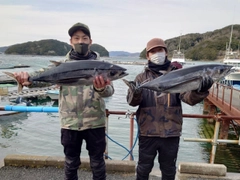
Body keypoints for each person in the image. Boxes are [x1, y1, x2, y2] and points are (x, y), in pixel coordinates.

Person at [13, 22, 114, 180]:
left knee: (97, 163)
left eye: (84, 38)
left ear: (90, 41)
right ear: (71, 41)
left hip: (95, 122)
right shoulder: (62, 65)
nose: (81, 41)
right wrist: (27, 79)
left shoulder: (101, 66)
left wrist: (101, 88)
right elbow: (43, 76)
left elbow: (109, 92)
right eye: (76, 38)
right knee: (71, 163)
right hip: (69, 123)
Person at [126, 38, 213, 180]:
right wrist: (136, 92)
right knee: (143, 169)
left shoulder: (178, 74)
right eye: (152, 51)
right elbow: (132, 102)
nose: (156, 54)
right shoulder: (141, 78)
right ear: (147, 56)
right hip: (147, 132)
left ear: (166, 52)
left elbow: (189, 99)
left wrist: (200, 90)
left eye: (159, 50)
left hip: (171, 133)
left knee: (168, 171)